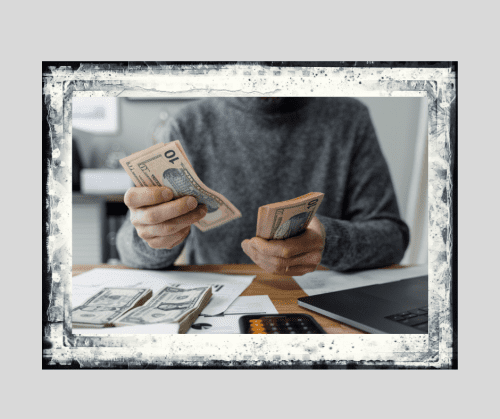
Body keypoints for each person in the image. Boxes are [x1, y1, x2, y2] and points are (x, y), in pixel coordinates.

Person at [116, 97, 409, 275]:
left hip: (320, 307)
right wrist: (153, 238)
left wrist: (329, 242)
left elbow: (393, 238)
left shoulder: (349, 119)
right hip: (216, 309)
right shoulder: (187, 125)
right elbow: (128, 249)